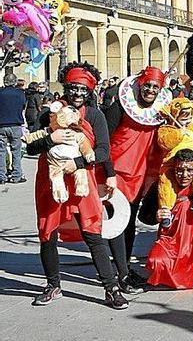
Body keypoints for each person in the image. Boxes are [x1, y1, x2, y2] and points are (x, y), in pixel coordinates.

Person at [25, 62, 128, 309]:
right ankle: (53, 285)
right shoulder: (49, 113)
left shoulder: (95, 115)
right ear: (66, 87)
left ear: (90, 91)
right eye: (73, 88)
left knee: (93, 233)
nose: (78, 94)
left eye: (83, 89)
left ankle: (111, 288)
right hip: (51, 181)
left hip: (83, 180)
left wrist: (78, 163)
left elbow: (103, 151)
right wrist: (51, 138)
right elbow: (31, 147)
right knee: (48, 233)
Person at [100, 66, 173, 291]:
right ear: (140, 85)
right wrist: (107, 172)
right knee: (119, 220)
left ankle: (124, 268)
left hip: (140, 173)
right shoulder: (120, 106)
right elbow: (104, 139)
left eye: (155, 87)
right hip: (117, 172)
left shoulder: (161, 111)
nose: (150, 90)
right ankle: (122, 274)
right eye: (147, 85)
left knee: (130, 221)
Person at [139, 145, 193, 293]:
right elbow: (143, 216)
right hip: (171, 243)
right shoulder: (161, 186)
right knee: (156, 262)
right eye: (180, 170)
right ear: (174, 168)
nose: (184, 175)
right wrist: (156, 215)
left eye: (189, 170)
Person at [0, 73, 27, 184]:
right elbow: (23, 106)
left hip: (1, 125)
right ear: (15, 82)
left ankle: (1, 176)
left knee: (1, 151)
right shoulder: (20, 93)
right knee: (16, 151)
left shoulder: (0, 92)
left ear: (4, 81)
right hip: (16, 124)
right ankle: (16, 175)